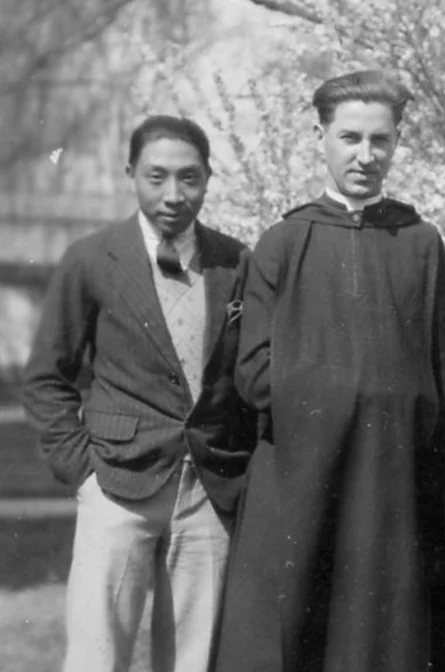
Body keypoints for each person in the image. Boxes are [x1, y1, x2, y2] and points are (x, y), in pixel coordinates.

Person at [210, 70, 445, 672]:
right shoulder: (283, 242)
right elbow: (251, 374)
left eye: (380, 140)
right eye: (349, 137)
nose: (365, 155)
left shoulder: (421, 242)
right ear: (319, 135)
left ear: (399, 140)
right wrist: (350, 397)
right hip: (304, 473)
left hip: (396, 481)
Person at [21, 115, 256, 672]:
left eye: (189, 178)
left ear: (208, 179)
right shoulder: (91, 258)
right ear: (130, 174)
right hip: (117, 483)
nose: (174, 194)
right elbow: (46, 376)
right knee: (98, 654)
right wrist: (83, 468)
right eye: (157, 177)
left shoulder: (236, 263)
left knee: (196, 657)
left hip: (206, 491)